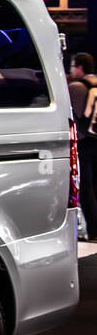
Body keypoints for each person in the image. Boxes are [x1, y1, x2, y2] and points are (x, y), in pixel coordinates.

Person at [68, 52, 97, 241]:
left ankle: (93, 231)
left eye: (72, 66)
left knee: (86, 187)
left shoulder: (77, 87)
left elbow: (70, 114)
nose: (71, 70)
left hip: (85, 143)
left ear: (79, 66)